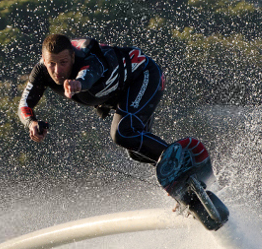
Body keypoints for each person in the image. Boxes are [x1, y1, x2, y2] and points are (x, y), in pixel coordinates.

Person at [18, 34, 169, 164]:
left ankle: (180, 159)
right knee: (136, 150)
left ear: (72, 57)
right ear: (44, 60)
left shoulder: (89, 58)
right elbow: (24, 104)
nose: (57, 71)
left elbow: (89, 74)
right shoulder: (41, 71)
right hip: (123, 94)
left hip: (144, 76)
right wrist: (31, 123)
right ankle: (177, 176)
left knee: (123, 133)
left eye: (63, 63)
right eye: (52, 64)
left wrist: (79, 84)